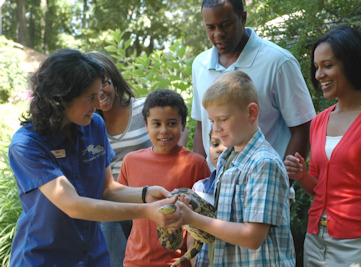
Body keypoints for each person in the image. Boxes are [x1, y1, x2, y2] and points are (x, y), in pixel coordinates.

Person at [8, 49, 184, 266]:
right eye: (90, 98)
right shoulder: (26, 145)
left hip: (92, 255)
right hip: (44, 257)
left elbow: (107, 189)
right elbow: (73, 205)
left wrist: (146, 194)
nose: (99, 105)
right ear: (61, 98)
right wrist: (146, 211)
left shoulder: (94, 126)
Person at [284, 26, 361, 266]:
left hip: (360, 247)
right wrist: (302, 175)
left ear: (352, 63)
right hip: (316, 242)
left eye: (327, 65)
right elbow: (319, 191)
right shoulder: (318, 122)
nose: (318, 75)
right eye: (316, 67)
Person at [178, 70, 295, 266]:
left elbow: (252, 237)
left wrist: (195, 218)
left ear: (251, 112)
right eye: (212, 121)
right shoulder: (226, 158)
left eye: (223, 119)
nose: (216, 128)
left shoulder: (263, 163)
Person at [191, 0, 316, 170]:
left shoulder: (278, 62)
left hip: (264, 187)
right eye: (210, 27)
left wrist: (280, 183)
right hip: (215, 191)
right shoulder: (200, 64)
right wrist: (200, 179)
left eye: (225, 25)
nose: (218, 34)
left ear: (242, 18)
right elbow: (201, 127)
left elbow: (303, 128)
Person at [117, 89, 211, 267]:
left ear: (183, 126)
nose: (164, 130)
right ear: (146, 126)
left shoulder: (196, 164)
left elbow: (203, 223)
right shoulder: (130, 161)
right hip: (135, 261)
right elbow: (122, 207)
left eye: (171, 123)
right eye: (156, 124)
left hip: (177, 261)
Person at [87, 52, 153, 267]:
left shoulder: (143, 109)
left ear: (113, 79)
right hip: (112, 207)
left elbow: (176, 134)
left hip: (148, 199)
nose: (100, 93)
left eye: (103, 84)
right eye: (92, 90)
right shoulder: (87, 124)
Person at [192, 128, 227, 266]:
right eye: (215, 144)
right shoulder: (200, 188)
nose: (220, 149)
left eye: (226, 144)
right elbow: (192, 233)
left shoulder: (244, 186)